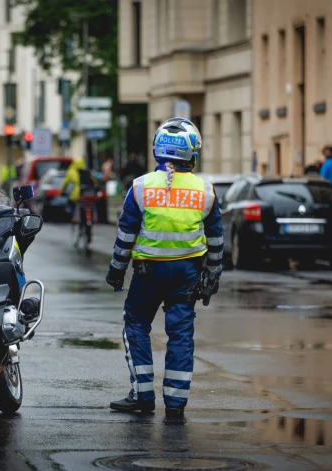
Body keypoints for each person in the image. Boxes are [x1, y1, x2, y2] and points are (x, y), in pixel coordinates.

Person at [105, 117, 223, 418]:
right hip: (187, 273)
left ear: (159, 150)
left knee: (136, 326)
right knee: (181, 334)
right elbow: (216, 238)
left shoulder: (141, 186)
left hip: (148, 273)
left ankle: (143, 396)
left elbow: (126, 234)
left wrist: (117, 269)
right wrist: (213, 274)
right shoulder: (205, 190)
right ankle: (175, 403)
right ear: (191, 154)